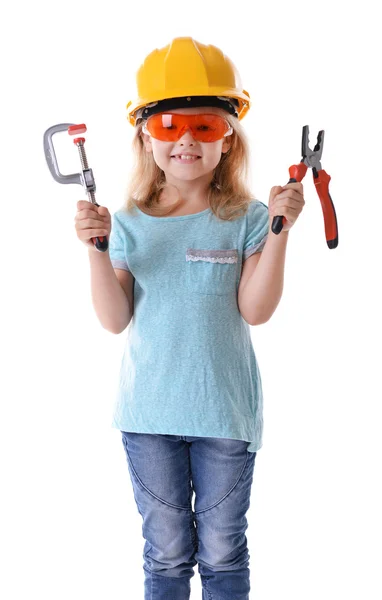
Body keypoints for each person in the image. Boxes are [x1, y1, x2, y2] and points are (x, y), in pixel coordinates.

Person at [75, 36, 305, 600]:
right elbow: (113, 320)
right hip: (148, 414)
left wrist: (279, 232)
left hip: (223, 415)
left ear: (227, 139)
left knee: (224, 550)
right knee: (167, 553)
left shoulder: (247, 218)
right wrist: (96, 249)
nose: (186, 141)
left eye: (205, 127)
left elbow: (256, 309)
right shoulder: (126, 223)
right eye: (170, 125)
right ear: (145, 135)